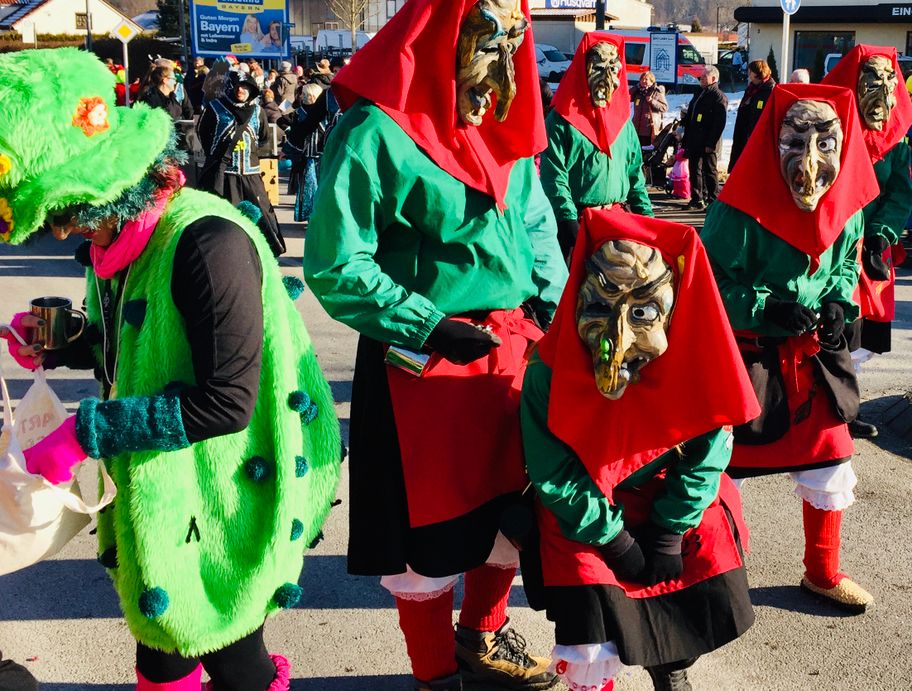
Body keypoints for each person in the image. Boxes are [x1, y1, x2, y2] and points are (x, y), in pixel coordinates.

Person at [0, 47, 341, 691]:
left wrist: (82, 434)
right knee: (160, 645)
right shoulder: (123, 240)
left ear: (106, 185)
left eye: (66, 216)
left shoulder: (208, 244)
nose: (62, 235)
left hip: (222, 488)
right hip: (159, 487)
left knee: (227, 646)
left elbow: (224, 403)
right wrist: (62, 345)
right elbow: (135, 348)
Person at [303, 2, 567, 689]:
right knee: (431, 533)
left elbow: (537, 228)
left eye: (516, 44)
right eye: (489, 45)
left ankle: (482, 633)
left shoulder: (506, 126)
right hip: (418, 362)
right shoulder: (375, 132)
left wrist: (558, 309)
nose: (505, 71)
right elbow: (336, 262)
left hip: (512, 352)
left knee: (513, 505)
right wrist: (425, 322)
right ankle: (432, 671)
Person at [521, 207, 759, 691]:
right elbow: (552, 470)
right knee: (591, 608)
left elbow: (708, 452)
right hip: (586, 504)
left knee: (689, 569)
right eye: (601, 307)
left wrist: (671, 528)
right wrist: (613, 539)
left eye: (643, 313)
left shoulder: (695, 364)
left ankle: (672, 664)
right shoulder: (547, 372)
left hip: (666, 495)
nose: (618, 337)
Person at [701, 82, 881, 613]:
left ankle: (822, 572)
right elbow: (708, 282)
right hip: (749, 355)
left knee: (830, 456)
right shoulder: (737, 209)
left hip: (812, 360)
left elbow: (845, 267)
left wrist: (837, 304)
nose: (810, 159)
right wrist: (766, 306)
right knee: (712, 469)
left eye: (826, 142)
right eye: (795, 140)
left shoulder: (848, 207)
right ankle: (706, 574)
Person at [822, 45, 912, 438]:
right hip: (833, 247)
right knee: (832, 329)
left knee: (867, 338)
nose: (883, 88)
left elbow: (899, 191)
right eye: (872, 79)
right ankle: (833, 411)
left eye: (889, 79)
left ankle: (843, 404)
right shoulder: (832, 132)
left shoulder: (896, 141)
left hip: (872, 250)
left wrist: (880, 236)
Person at [540, 33, 653, 260]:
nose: (607, 77)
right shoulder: (561, 121)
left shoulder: (623, 124)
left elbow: (634, 175)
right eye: (599, 68)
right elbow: (554, 176)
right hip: (579, 224)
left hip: (618, 223)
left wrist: (646, 218)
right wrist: (568, 222)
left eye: (613, 69)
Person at [197, 69, 286, 256]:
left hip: (250, 174)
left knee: (261, 213)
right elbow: (203, 133)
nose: (241, 90)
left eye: (245, 87)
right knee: (223, 214)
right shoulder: (215, 108)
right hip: (224, 175)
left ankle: (263, 251)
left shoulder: (257, 111)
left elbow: (263, 137)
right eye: (237, 86)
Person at [284, 83, 338, 223]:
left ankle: (320, 215)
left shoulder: (325, 111)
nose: (302, 97)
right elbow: (287, 123)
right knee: (309, 187)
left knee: (322, 186)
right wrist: (290, 141)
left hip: (323, 154)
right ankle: (311, 216)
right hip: (309, 156)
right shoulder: (300, 112)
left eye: (304, 94)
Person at [682, 65, 727, 210]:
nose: (700, 79)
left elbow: (719, 123)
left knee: (710, 171)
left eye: (704, 76)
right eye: (701, 76)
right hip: (694, 139)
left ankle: (713, 200)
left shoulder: (718, 96)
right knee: (694, 169)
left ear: (713, 78)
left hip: (708, 141)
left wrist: (711, 142)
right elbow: (692, 113)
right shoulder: (699, 93)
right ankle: (697, 198)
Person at [728, 59, 776, 172]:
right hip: (744, 133)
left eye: (751, 72)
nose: (749, 75)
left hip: (757, 137)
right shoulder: (751, 89)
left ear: (759, 72)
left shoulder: (770, 90)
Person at [630, 71, 668, 146]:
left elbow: (664, 107)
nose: (643, 81)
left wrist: (652, 101)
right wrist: (636, 87)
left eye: (646, 79)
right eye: (642, 79)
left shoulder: (656, 91)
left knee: (646, 150)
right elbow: (627, 96)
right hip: (636, 127)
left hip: (649, 129)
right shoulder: (638, 92)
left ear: (651, 81)